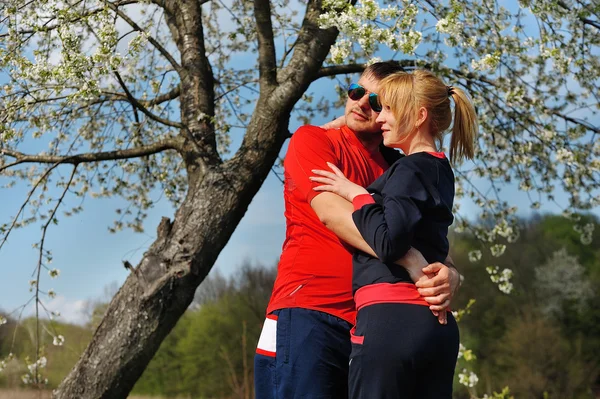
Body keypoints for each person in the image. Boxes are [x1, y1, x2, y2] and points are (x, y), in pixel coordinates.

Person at [254, 62, 461, 399]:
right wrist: (410, 260)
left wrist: (449, 273)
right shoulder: (314, 140)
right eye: (356, 92)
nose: (363, 103)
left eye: (378, 101)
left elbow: (425, 234)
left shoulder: (401, 166)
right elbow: (332, 213)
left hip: (372, 322)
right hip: (309, 313)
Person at [310, 69, 477, 398]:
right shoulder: (439, 168)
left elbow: (389, 242)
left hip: (390, 323)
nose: (379, 115)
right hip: (435, 328)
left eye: (387, 108)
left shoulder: (407, 169)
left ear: (419, 116)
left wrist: (357, 194)